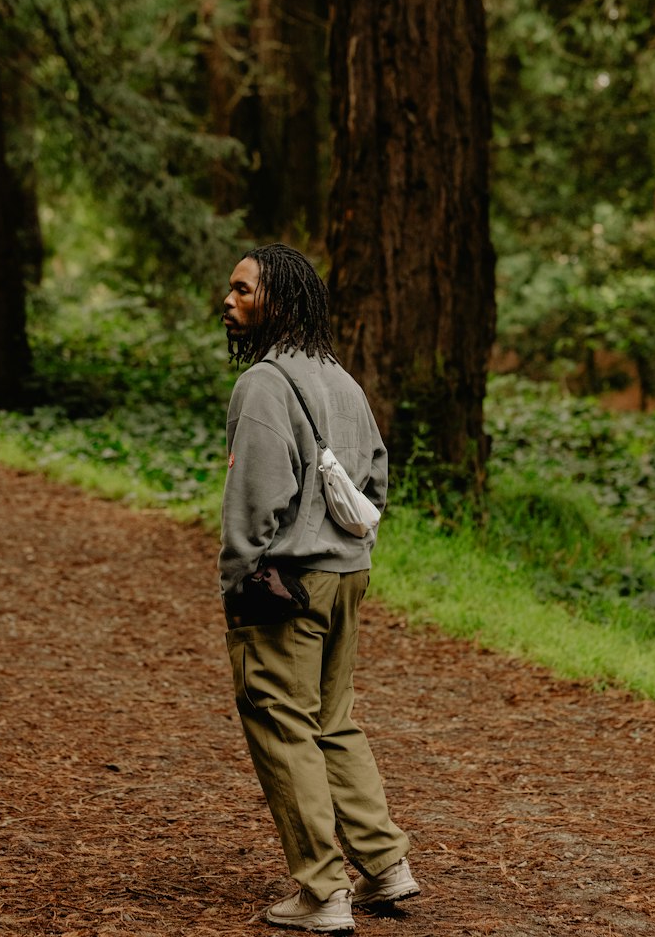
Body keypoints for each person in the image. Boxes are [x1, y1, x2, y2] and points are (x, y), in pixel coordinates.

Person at [218, 243, 419, 933]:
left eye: (244, 291)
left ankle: (322, 892)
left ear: (281, 301)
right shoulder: (341, 379)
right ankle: (387, 868)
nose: (229, 300)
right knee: (334, 720)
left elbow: (253, 503)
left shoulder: (264, 385)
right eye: (231, 291)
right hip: (348, 574)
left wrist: (237, 583)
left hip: (287, 583)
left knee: (282, 723)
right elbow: (379, 479)